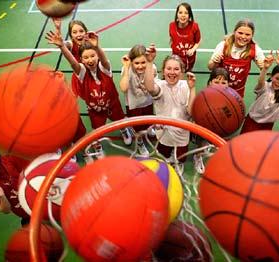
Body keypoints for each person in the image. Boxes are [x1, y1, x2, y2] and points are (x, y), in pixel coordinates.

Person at [46, 28, 132, 159]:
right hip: (95, 110)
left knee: (119, 120)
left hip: (112, 105)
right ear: (81, 59)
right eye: (85, 57)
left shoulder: (104, 68)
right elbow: (72, 62)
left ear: (97, 55)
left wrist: (98, 47)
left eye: (92, 56)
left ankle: (123, 130)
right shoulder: (82, 72)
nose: (90, 60)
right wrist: (63, 47)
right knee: (97, 131)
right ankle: (98, 146)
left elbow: (103, 60)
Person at [144, 50, 196, 174]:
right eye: (169, 68)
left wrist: (192, 88)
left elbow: (191, 111)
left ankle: (178, 162)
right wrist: (149, 62)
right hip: (164, 133)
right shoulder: (160, 85)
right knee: (164, 154)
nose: (172, 72)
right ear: (163, 71)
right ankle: (167, 161)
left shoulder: (187, 86)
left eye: (176, 69)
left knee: (181, 157)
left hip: (182, 134)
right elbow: (150, 88)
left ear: (182, 72)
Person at [240, 50, 279, 133]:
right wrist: (265, 68)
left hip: (268, 124)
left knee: (261, 145)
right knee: (244, 143)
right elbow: (260, 81)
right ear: (271, 76)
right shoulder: (265, 86)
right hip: (253, 122)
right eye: (277, 78)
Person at [208, 18, 265, 97]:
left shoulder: (255, 49)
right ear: (234, 32)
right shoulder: (223, 45)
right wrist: (214, 62)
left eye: (247, 34)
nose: (243, 37)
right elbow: (210, 67)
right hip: (219, 88)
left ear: (252, 35)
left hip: (237, 92)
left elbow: (263, 70)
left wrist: (264, 67)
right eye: (240, 33)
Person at [119, 44, 158, 156]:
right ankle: (140, 142)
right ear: (131, 62)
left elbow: (153, 87)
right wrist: (126, 68)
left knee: (149, 121)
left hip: (148, 102)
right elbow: (123, 87)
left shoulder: (152, 68)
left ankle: (149, 129)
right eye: (136, 63)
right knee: (137, 129)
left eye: (143, 62)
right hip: (134, 106)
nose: (140, 66)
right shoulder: (127, 70)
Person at [192, 67, 230, 174]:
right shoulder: (203, 97)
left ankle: (209, 145)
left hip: (218, 126)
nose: (220, 85)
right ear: (209, 83)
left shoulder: (231, 99)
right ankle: (197, 156)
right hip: (203, 126)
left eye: (224, 82)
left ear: (228, 84)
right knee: (202, 142)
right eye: (216, 82)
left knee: (214, 139)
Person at [169, 2, 201, 72]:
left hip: (190, 58)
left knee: (188, 73)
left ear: (189, 15)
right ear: (177, 14)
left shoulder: (194, 26)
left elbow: (198, 41)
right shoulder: (172, 26)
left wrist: (193, 49)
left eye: (186, 13)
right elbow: (171, 38)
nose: (183, 15)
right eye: (180, 12)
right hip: (176, 58)